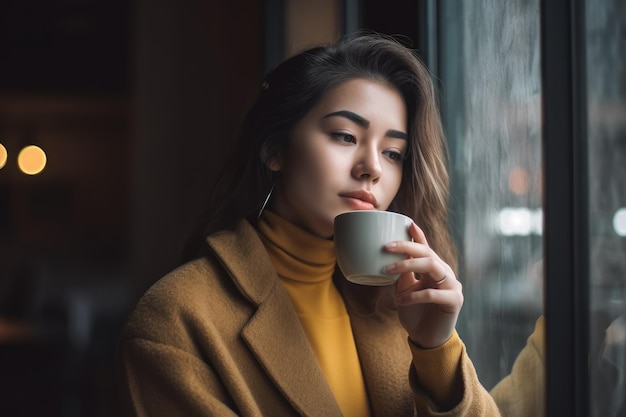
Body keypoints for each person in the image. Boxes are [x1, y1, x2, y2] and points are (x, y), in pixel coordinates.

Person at [116, 33, 501, 416]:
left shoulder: (399, 312)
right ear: (275, 150)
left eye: (394, 153)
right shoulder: (177, 318)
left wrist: (436, 349)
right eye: (345, 136)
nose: (373, 168)